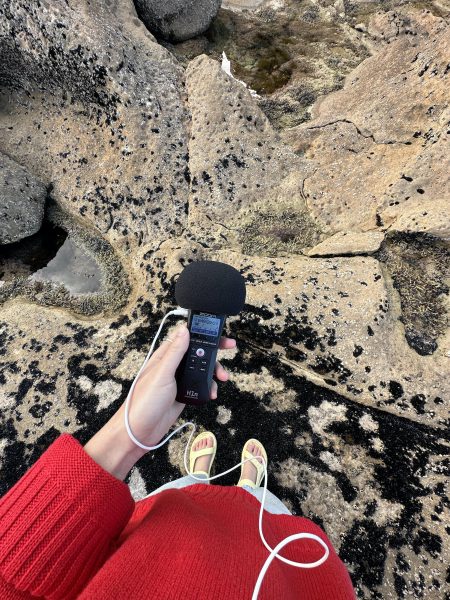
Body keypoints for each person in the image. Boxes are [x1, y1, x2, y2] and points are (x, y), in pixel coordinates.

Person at [0, 322, 355, 599]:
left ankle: (198, 479)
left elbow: (11, 582)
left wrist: (128, 434)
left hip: (159, 541)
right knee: (258, 510)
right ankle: (249, 487)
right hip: (278, 571)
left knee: (183, 498)